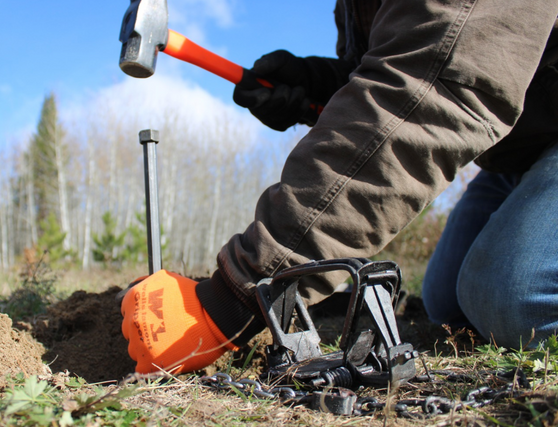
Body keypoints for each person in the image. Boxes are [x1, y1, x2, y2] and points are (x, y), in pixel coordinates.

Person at [121, 0, 558, 374]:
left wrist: (240, 295)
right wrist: (315, 85)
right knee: (448, 300)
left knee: (516, 300)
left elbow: (431, 85)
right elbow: (398, 62)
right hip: (520, 151)